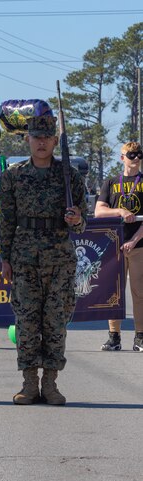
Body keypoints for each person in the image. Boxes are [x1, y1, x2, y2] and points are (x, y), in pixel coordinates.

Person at [0, 114, 87, 405]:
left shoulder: (69, 176)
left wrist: (76, 219)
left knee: (55, 321)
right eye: (36, 137)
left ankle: (50, 383)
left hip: (59, 258)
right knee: (26, 322)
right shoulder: (13, 175)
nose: (41, 142)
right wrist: (5, 258)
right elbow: (7, 221)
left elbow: (82, 224)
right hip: (24, 258)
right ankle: (28, 383)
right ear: (27, 139)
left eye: (47, 138)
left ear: (55, 141)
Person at [94, 140, 143, 353]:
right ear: (122, 157)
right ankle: (114, 337)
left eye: (139, 154)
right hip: (114, 247)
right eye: (131, 155)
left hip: (139, 246)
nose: (136, 158)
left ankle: (140, 337)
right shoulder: (111, 182)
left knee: (139, 293)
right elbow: (99, 211)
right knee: (113, 293)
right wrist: (120, 212)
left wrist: (134, 241)